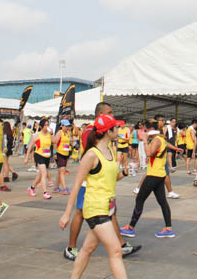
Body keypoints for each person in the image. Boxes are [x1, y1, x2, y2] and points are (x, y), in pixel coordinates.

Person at [64, 102, 140, 262]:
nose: (112, 115)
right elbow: (90, 157)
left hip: (103, 186)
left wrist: (122, 172)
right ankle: (71, 247)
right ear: (100, 114)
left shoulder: (106, 137)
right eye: (109, 112)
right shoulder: (91, 133)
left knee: (110, 214)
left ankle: (120, 245)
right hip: (90, 183)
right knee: (80, 213)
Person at [59, 114, 129, 279]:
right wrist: (67, 214)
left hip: (107, 208)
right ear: (108, 131)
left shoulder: (111, 150)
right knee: (116, 251)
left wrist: (125, 172)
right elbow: (76, 185)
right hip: (95, 209)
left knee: (87, 249)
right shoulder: (91, 155)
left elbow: (112, 177)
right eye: (116, 127)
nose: (118, 130)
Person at [120, 120, 177, 239]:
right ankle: (168, 229)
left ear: (149, 129)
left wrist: (145, 140)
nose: (143, 132)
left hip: (154, 175)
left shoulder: (157, 140)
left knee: (140, 199)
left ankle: (130, 228)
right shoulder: (160, 139)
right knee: (162, 201)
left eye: (144, 130)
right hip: (159, 174)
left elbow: (149, 153)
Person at [25, 118, 53, 200]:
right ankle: (45, 192)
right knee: (44, 173)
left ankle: (32, 187)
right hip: (39, 155)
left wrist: (52, 133)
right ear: (41, 126)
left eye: (48, 125)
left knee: (41, 174)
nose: (47, 127)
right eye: (46, 125)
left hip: (47, 156)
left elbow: (54, 141)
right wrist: (26, 157)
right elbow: (30, 146)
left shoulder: (49, 134)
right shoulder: (37, 135)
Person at [53, 119, 73, 195]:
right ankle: (64, 188)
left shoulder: (68, 133)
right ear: (62, 126)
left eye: (68, 126)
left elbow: (68, 143)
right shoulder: (59, 133)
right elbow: (55, 142)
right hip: (59, 153)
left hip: (66, 154)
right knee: (62, 171)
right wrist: (54, 153)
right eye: (66, 126)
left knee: (60, 171)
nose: (67, 128)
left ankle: (56, 187)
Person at [0, 121, 18, 190]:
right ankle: (12, 173)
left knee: (4, 164)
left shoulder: (4, 134)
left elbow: (5, 143)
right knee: (6, 163)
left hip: (4, 150)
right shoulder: (10, 134)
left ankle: (6, 176)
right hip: (9, 150)